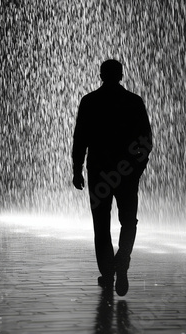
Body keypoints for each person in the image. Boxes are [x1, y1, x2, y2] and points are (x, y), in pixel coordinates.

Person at [72, 59, 152, 296]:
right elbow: (145, 139)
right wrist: (138, 167)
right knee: (129, 221)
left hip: (99, 172)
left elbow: (81, 138)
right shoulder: (133, 101)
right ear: (121, 75)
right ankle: (123, 261)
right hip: (126, 171)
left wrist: (77, 168)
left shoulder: (89, 101)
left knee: (101, 225)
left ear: (100, 75)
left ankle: (107, 274)